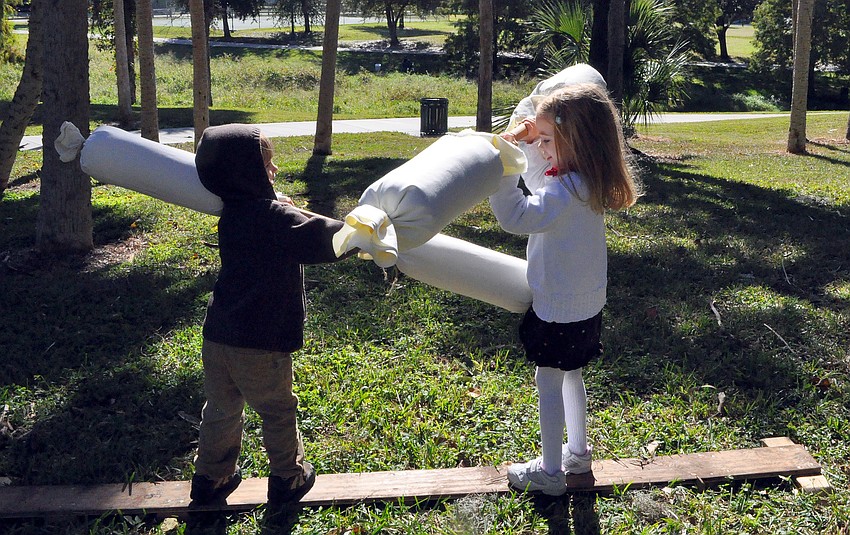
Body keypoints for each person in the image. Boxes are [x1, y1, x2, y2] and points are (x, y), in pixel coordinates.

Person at [189, 123, 351, 513]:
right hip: (260, 343)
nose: (274, 171)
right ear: (248, 173)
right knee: (278, 409)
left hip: (219, 336)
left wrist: (281, 205)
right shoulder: (275, 217)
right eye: (267, 165)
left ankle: (211, 477)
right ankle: (287, 476)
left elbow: (270, 218)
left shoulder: (232, 212)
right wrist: (358, 233)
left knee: (221, 409)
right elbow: (323, 239)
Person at [491, 83, 640, 496]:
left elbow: (516, 216)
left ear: (572, 141)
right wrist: (525, 133)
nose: (538, 149)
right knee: (572, 374)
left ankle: (551, 473)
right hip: (587, 304)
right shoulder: (586, 182)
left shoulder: (560, 192)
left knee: (548, 381)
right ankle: (578, 454)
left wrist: (501, 170)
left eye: (544, 141)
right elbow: (539, 173)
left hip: (557, 308)